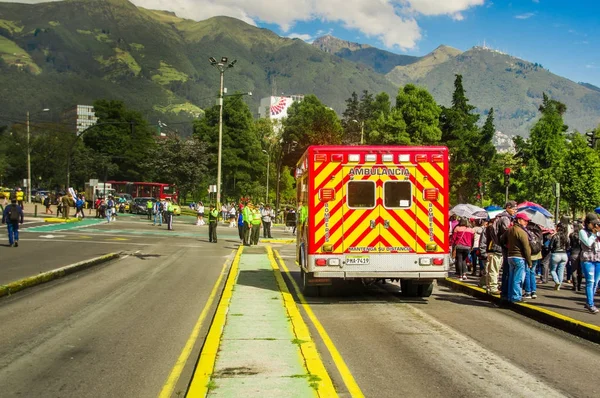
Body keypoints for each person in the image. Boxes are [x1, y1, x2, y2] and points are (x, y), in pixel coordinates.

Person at [504, 212, 532, 303]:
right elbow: (526, 248)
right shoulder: (522, 232)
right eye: (525, 221)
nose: (526, 223)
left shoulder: (510, 230)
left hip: (510, 256)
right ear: (519, 220)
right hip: (519, 257)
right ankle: (516, 296)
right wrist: (529, 261)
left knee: (512, 277)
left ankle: (510, 296)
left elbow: (501, 240)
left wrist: (507, 248)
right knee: (518, 279)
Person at [579, 213, 600, 314]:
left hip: (598, 259)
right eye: (593, 224)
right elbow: (587, 243)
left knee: (595, 282)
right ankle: (591, 304)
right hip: (588, 260)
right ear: (588, 223)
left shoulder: (597, 233)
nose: (595, 226)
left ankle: (588, 302)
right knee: (590, 282)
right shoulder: (582, 232)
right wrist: (594, 234)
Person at [497, 200, 518, 301]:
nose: (515, 211)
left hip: (505, 246)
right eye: (514, 209)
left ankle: (505, 292)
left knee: (507, 270)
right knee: (506, 271)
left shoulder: (506, 217)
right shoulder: (505, 218)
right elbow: (507, 232)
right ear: (508, 207)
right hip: (505, 247)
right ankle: (505, 292)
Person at [523, 221, 543, 299]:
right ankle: (533, 291)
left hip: (529, 254)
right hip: (537, 254)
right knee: (532, 272)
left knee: (527, 272)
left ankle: (527, 292)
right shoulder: (538, 230)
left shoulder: (526, 230)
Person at [550, 223, 570, 290]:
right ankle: (558, 286)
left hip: (556, 254)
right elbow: (568, 247)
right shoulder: (566, 237)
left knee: (553, 270)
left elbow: (551, 246)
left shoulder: (555, 236)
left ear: (558, 228)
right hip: (564, 255)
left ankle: (557, 281)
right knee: (561, 271)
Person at [569, 222, 583, 291]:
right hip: (580, 253)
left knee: (574, 270)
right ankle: (579, 285)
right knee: (580, 270)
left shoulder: (571, 235)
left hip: (574, 253)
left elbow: (570, 245)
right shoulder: (582, 236)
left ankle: (575, 285)